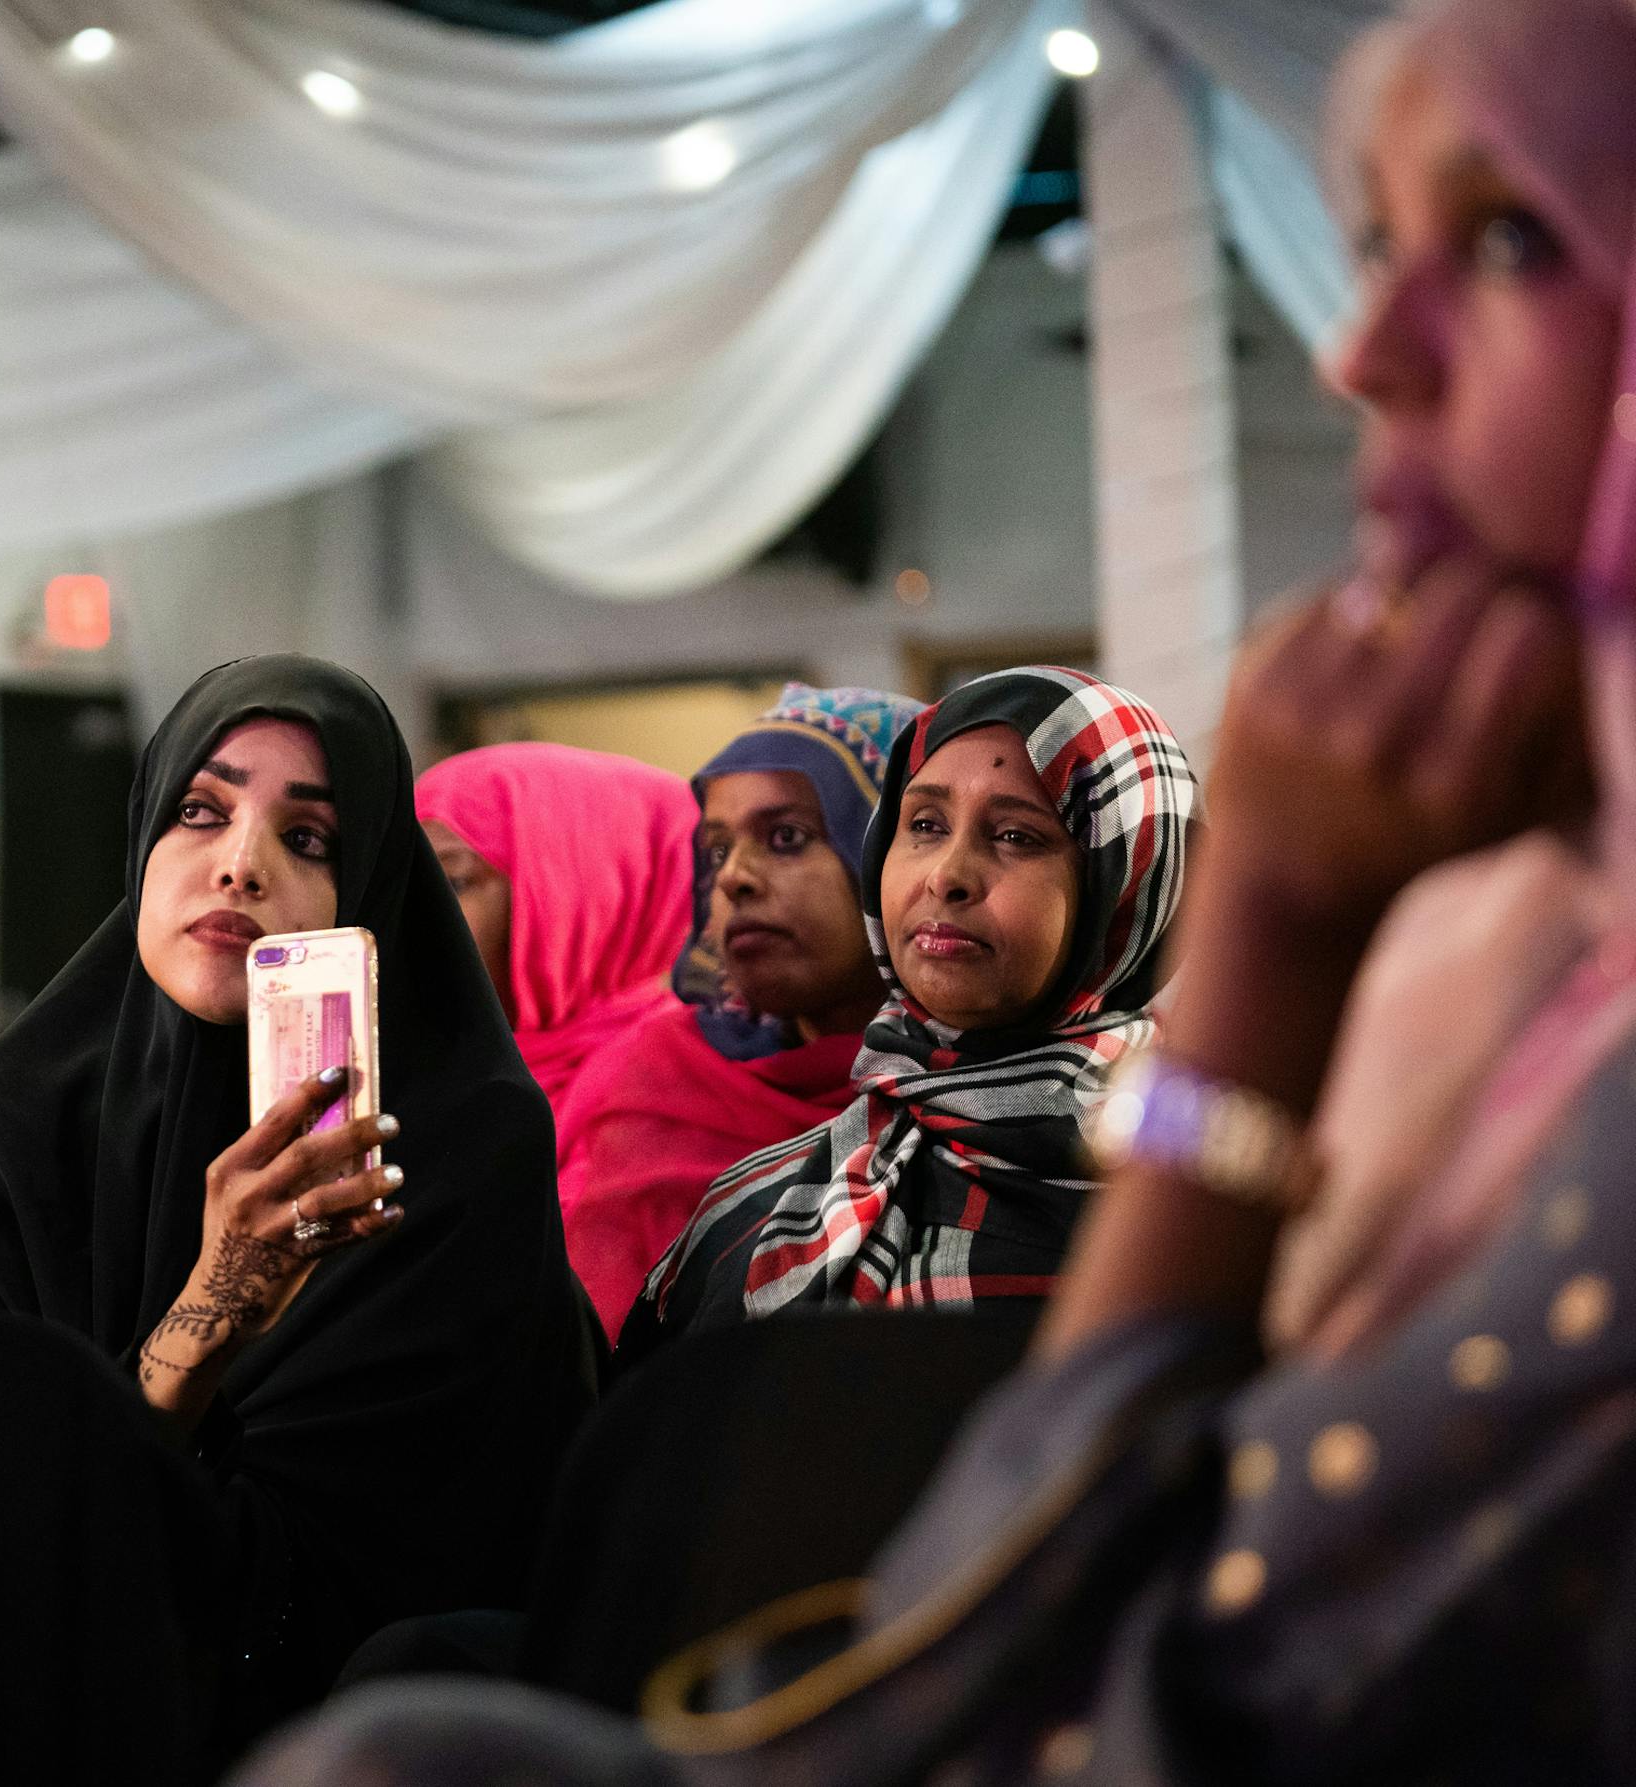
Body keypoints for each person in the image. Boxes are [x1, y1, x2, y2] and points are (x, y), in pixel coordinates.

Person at [228, 0, 1636, 1778]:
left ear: (1130, 875)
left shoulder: (1369, 998)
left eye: (1513, 236)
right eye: (1372, 243)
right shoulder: (1476, 959)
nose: (1365, 350)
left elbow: (1161, 1660)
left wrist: (1274, 935)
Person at [0, 654, 596, 1758]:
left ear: (367, 886)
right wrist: (213, 1303)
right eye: (200, 810)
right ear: (143, 839)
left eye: (307, 838)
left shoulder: (462, 1146)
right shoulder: (5, 1138)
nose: (240, 864)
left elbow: (396, 1576)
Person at [620, 669, 1195, 1354]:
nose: (946, 874)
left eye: (1016, 835)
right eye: (923, 824)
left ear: (1123, 890)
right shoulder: (750, 1210)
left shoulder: (1192, 1220)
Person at [559, 684, 922, 1342]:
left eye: (786, 836)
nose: (733, 878)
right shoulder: (662, 1083)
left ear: (901, 851)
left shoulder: (986, 1094)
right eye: (718, 848)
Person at [414, 743, 694, 1159]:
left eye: (453, 882)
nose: (410, 916)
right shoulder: (420, 1084)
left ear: (575, 897)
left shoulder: (684, 1104)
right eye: (406, 883)